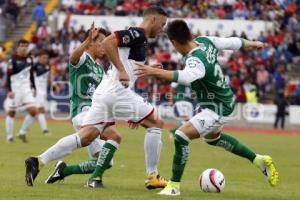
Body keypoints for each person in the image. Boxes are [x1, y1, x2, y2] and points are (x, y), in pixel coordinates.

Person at [25, 6, 168, 189]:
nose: (162, 29)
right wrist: (123, 71)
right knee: (156, 123)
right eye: (162, 24)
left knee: (85, 137)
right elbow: (109, 42)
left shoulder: (138, 42)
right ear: (153, 20)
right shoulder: (138, 33)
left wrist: (147, 69)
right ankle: (152, 176)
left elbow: (127, 67)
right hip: (116, 92)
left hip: (103, 94)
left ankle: (38, 161)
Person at [135, 20, 279, 196]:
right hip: (221, 102)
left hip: (217, 108)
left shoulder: (196, 60)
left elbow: (186, 77)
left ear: (174, 42)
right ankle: (258, 160)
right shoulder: (205, 41)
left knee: (181, 136)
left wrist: (153, 71)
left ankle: (174, 186)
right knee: (213, 139)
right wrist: (254, 44)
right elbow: (232, 42)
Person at [25, 23, 117, 185]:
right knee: (113, 136)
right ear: (91, 43)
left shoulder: (100, 69)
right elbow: (73, 57)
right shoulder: (83, 58)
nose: (105, 45)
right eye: (101, 41)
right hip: (82, 111)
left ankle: (62, 170)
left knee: (106, 161)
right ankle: (92, 181)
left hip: (94, 112)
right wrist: (87, 40)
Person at [5, 39, 38, 143]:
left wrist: (34, 87)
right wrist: (9, 90)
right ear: (18, 47)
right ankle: (9, 135)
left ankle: (22, 132)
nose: (24, 48)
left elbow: (31, 75)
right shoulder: (12, 60)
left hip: (27, 89)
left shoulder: (30, 59)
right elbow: (8, 76)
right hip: (15, 89)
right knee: (12, 112)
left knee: (34, 111)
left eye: (26, 46)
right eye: (22, 46)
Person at [32, 50, 50, 134]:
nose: (45, 59)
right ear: (39, 58)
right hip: (37, 91)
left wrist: (54, 85)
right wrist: (33, 88)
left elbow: (49, 79)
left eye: (46, 58)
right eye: (43, 57)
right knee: (40, 110)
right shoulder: (35, 66)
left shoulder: (47, 67)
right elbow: (30, 77)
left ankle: (23, 130)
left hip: (43, 92)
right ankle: (45, 130)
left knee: (37, 111)